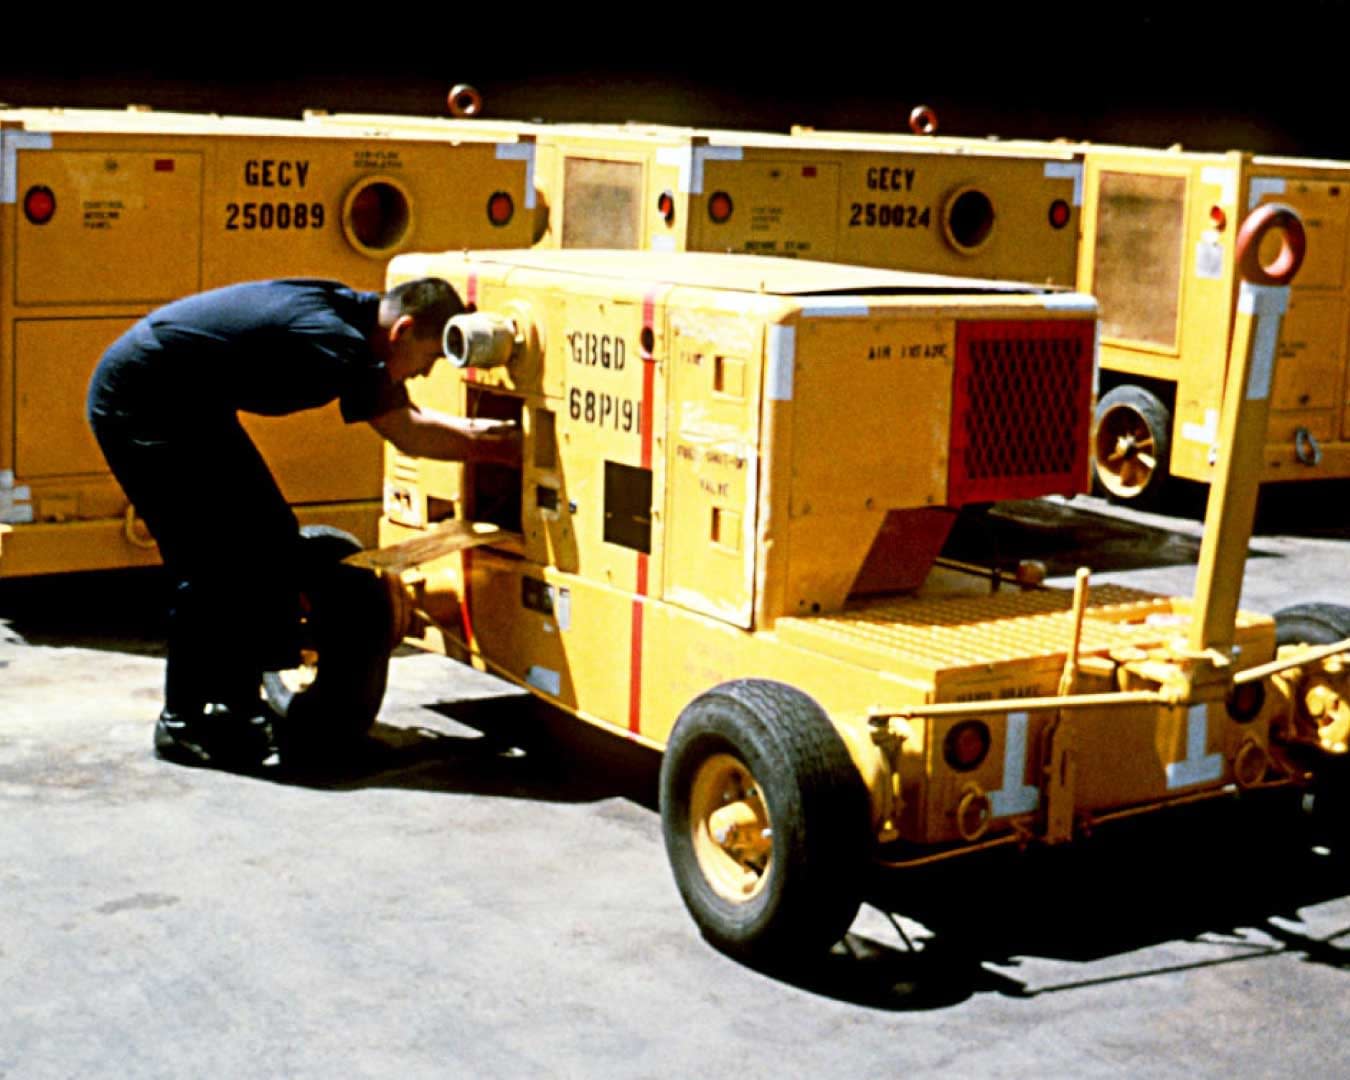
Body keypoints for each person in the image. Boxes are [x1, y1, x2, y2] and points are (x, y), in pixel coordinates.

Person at [86, 277, 519, 771]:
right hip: (140, 403)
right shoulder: (338, 342)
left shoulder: (355, 315)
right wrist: (505, 448)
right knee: (209, 562)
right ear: (402, 330)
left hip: (190, 403)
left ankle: (239, 710)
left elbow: (409, 415)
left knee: (270, 538)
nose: (424, 373)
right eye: (429, 358)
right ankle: (181, 725)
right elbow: (408, 431)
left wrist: (488, 438)